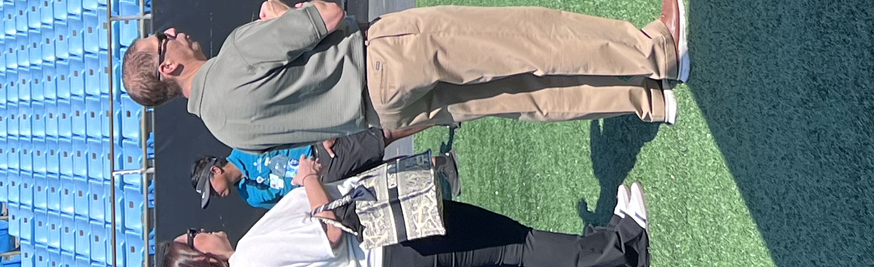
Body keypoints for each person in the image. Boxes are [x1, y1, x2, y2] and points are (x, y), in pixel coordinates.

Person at [122, 0, 689, 146]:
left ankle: (646, 99)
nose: (172, 32)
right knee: (527, 39)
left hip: (381, 111)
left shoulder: (225, 132)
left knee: (523, 97)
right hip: (385, 54)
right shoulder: (236, 53)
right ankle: (656, 51)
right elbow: (328, 14)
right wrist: (282, 11)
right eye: (161, 39)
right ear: (167, 68)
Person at [163, 158, 650, 267]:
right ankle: (624, 247)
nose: (201, 230)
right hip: (391, 245)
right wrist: (308, 178)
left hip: (392, 254)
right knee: (512, 247)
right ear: (198, 260)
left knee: (511, 252)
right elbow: (329, 236)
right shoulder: (249, 256)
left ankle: (608, 244)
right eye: (192, 236)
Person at [190, 130, 389, 212]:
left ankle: (421, 114)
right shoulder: (250, 197)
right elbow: (290, 204)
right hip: (326, 185)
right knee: (384, 177)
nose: (216, 196)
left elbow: (286, 128)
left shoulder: (244, 145)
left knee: (384, 136)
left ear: (216, 170)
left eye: (212, 190)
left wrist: (323, 133)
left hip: (325, 152)